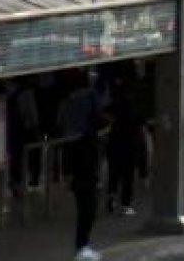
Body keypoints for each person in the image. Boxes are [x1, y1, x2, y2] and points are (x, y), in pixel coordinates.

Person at [58, 72, 104, 261]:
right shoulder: (89, 101)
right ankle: (82, 246)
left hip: (82, 169)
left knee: (86, 208)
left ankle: (82, 245)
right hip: (86, 169)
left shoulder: (68, 108)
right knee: (88, 209)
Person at [104, 75, 144, 216]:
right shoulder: (134, 108)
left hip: (114, 143)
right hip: (129, 145)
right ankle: (125, 204)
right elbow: (140, 123)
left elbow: (105, 113)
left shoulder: (115, 105)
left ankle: (111, 196)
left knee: (113, 173)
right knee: (128, 177)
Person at [5, 78, 41, 197]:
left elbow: (31, 113)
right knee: (19, 158)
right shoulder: (23, 93)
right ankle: (19, 182)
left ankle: (19, 182)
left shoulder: (21, 93)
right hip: (18, 131)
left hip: (19, 131)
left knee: (19, 158)